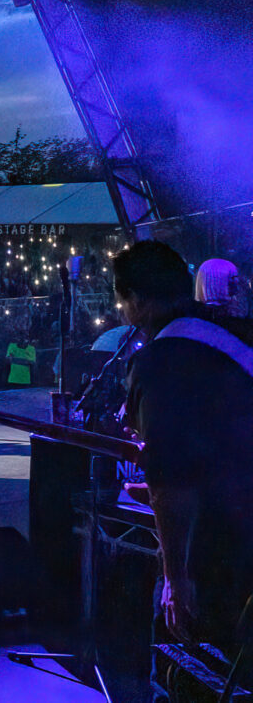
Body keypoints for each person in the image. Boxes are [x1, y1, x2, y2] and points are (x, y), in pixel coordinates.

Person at [116, 241, 253, 662]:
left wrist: (176, 579)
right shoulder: (233, 334)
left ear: (137, 301)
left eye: (122, 300)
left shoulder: (161, 360)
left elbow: (170, 481)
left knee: (188, 664)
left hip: (218, 552)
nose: (122, 311)